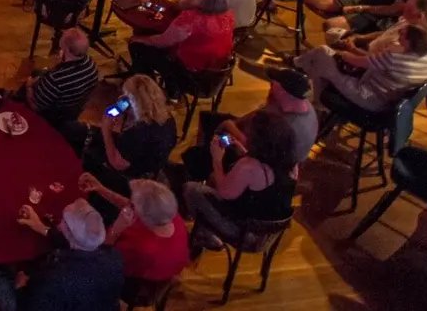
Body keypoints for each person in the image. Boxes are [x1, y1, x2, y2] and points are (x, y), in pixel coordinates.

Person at [183, 109, 298, 251]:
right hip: (269, 234)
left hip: (245, 235)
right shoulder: (292, 165)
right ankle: (205, 232)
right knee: (215, 178)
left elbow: (224, 192)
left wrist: (217, 159)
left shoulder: (249, 167)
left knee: (191, 189)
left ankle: (211, 237)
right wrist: (242, 150)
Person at [183, 68, 317, 180]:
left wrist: (230, 126)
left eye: (272, 85)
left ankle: (196, 174)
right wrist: (237, 123)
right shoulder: (297, 104)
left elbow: (253, 149)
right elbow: (260, 113)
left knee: (201, 155)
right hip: (259, 143)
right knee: (209, 119)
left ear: (282, 91)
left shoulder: (285, 126)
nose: (270, 87)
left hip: (264, 163)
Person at [295, 18, 427, 112]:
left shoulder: (395, 56)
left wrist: (344, 51)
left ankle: (318, 101)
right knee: (322, 59)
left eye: (403, 36)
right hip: (391, 102)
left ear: (412, 43)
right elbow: (374, 62)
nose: (399, 36)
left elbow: (355, 60)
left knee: (322, 53)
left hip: (369, 97)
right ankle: (300, 66)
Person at [1, 199, 125, 311]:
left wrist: (21, 288)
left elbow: (31, 306)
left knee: (0, 281)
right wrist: (41, 227)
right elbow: (77, 243)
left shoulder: (56, 278)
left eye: (64, 221)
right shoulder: (114, 257)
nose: (60, 224)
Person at [129, 0, 234, 96]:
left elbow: (163, 41)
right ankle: (171, 90)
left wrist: (139, 39)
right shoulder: (228, 16)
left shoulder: (190, 19)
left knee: (137, 46)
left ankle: (148, 91)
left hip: (190, 77)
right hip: (216, 75)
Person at [86, 74, 178, 188]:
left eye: (127, 97)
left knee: (91, 148)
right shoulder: (168, 118)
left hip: (134, 173)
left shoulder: (138, 132)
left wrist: (106, 128)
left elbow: (118, 164)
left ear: (135, 102)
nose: (124, 99)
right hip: (152, 161)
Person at [26, 28, 100, 127]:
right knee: (38, 72)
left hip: (54, 114)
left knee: (29, 81)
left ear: (66, 49)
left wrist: (29, 86)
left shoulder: (55, 78)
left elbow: (35, 106)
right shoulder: (92, 64)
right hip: (73, 109)